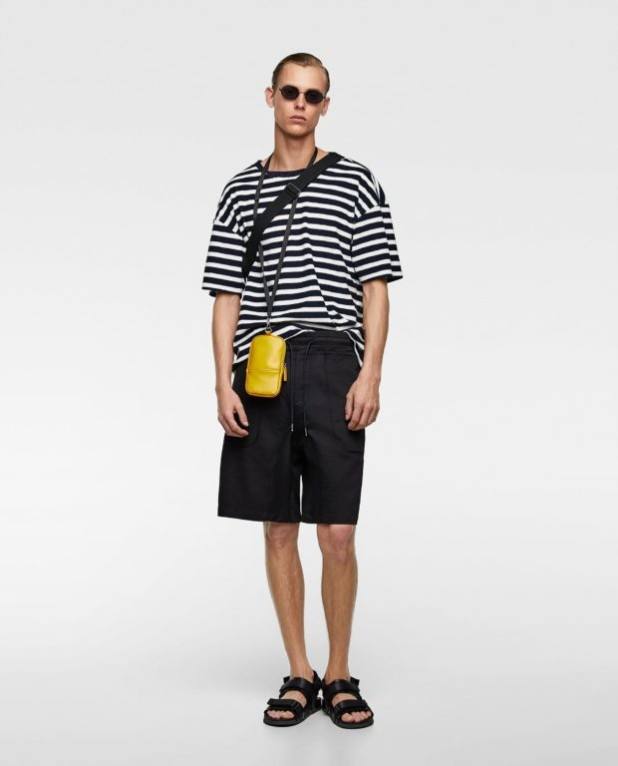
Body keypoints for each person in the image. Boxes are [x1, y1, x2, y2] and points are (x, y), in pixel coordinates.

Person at [201, 52, 403, 729]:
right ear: (270, 96)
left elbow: (375, 287)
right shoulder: (240, 190)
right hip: (262, 365)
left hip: (333, 360)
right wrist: (221, 380)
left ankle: (339, 672)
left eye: (313, 96)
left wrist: (370, 371)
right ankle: (299, 671)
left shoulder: (355, 181)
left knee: (337, 529)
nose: (300, 104)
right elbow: (225, 294)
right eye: (290, 91)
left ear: (325, 106)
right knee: (278, 524)